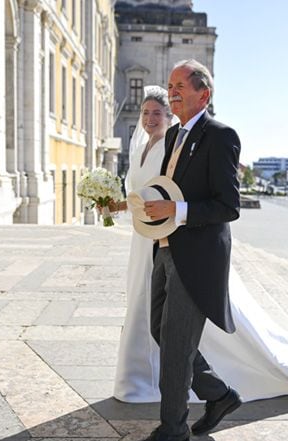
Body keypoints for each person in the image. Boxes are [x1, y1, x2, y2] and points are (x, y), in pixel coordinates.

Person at [128, 59, 242, 441]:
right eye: (170, 85)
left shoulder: (221, 135)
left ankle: (173, 431)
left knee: (176, 346)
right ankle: (219, 394)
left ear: (203, 94)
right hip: (165, 248)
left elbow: (228, 205)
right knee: (162, 332)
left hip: (197, 257)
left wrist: (176, 213)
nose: (172, 91)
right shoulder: (174, 134)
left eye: (180, 86)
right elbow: (168, 189)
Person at [108, 85, 173, 402]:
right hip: (139, 236)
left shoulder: (170, 149)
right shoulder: (139, 150)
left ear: (168, 116)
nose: (150, 118)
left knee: (150, 300)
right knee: (137, 296)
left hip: (160, 236)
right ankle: (136, 374)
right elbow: (136, 197)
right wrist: (112, 206)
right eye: (146, 113)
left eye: (156, 113)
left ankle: (146, 378)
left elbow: (167, 194)